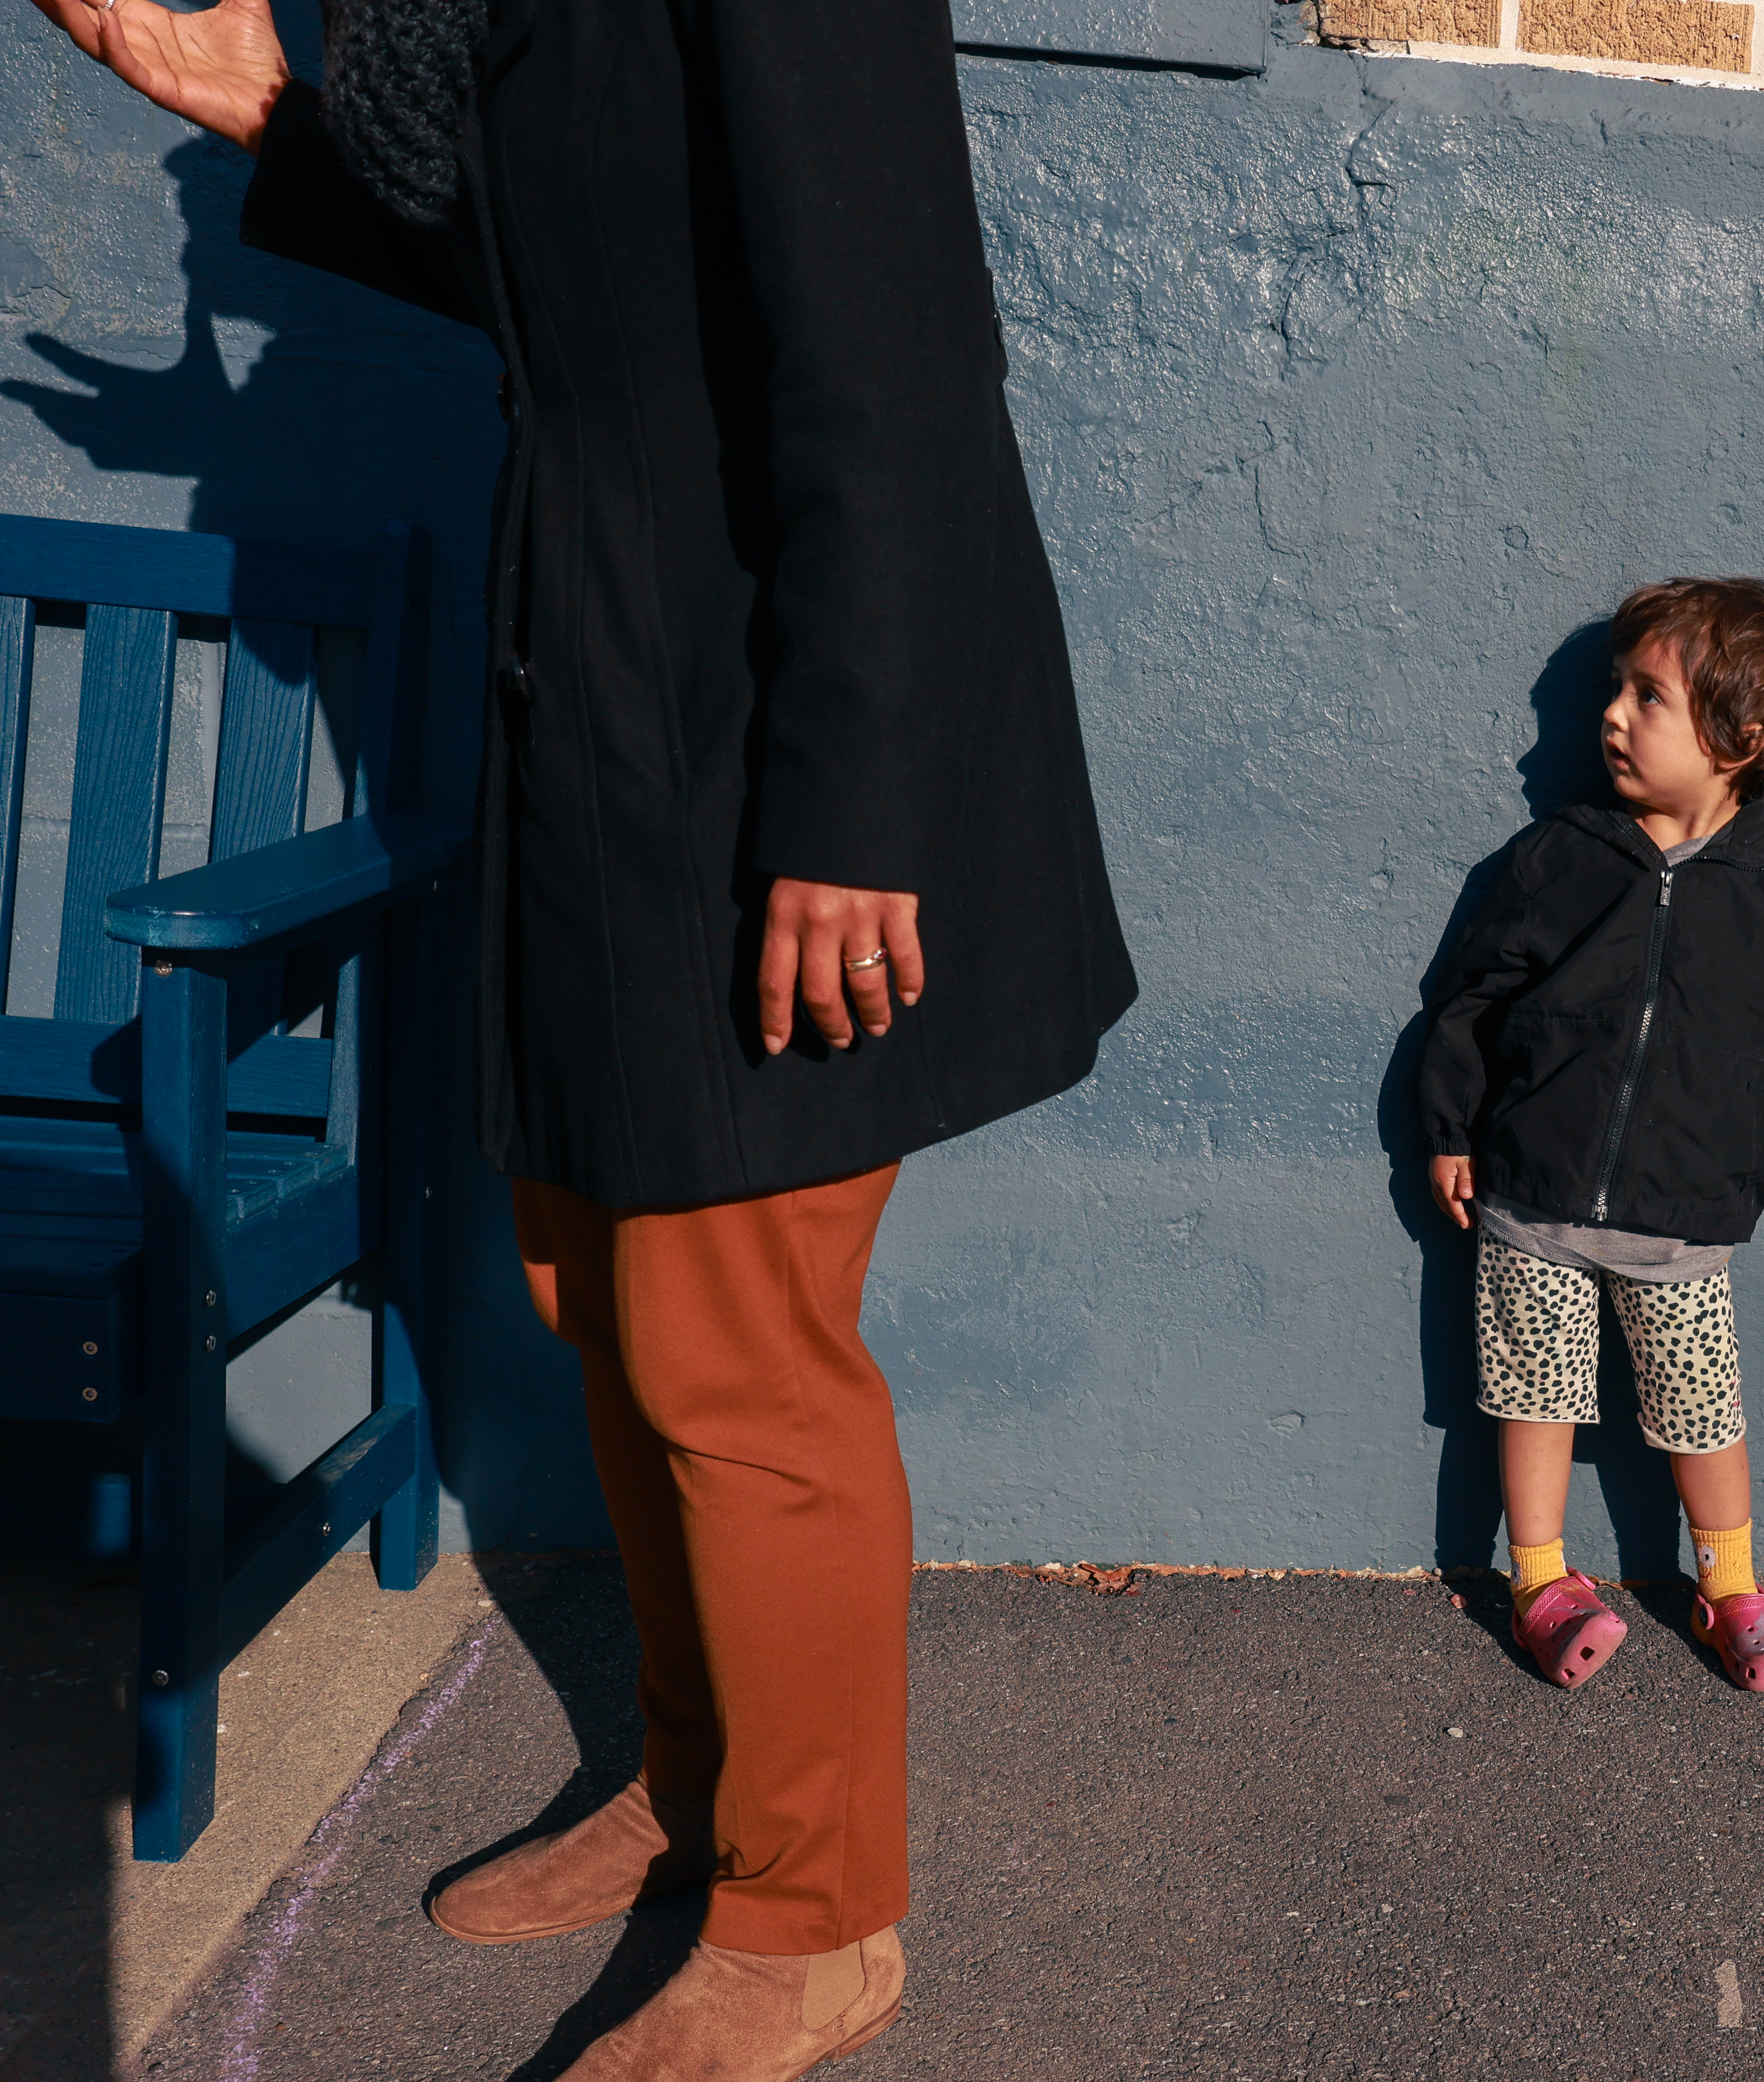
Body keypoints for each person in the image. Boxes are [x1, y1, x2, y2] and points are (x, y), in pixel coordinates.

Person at [29, 0, 1136, 2072]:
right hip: (611, 712)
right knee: (605, 1289)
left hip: (761, 754)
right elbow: (543, 261)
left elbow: (893, 355)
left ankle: (815, 1920)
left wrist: (853, 812)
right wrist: (263, 105)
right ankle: (707, 1789)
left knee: (738, 1338)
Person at [1419, 580, 1764, 1695]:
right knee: (1536, 1396)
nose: (1613, 714)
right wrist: (1452, 1126)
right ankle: (1543, 1581)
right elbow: (1472, 996)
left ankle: (1734, 1589)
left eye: (1648, 696)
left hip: (1685, 1212)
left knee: (1701, 1405)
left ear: (1740, 739)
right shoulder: (1563, 852)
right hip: (1535, 1194)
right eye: (1618, 688)